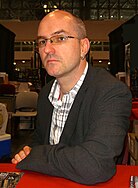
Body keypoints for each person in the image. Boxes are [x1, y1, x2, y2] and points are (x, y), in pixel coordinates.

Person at [12, 10, 132, 185]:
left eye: (59, 38)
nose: (47, 49)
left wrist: (36, 155)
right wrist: (28, 149)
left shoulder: (111, 93)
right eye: (42, 41)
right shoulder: (46, 93)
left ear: (83, 47)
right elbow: (40, 137)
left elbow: (94, 165)